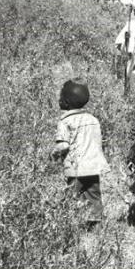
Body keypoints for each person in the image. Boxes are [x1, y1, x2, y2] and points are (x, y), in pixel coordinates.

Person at [51, 79, 109, 227]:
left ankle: (73, 223)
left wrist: (53, 153)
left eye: (61, 98)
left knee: (73, 195)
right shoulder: (93, 119)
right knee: (93, 194)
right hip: (92, 166)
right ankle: (96, 224)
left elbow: (63, 145)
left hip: (75, 168)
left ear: (66, 102)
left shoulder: (65, 122)